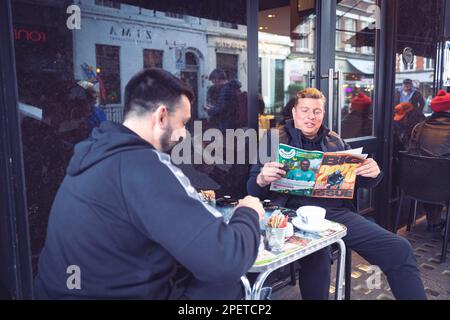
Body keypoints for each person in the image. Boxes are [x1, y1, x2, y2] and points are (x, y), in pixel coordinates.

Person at [34, 68, 265, 300]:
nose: (184, 134)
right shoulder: (144, 165)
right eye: (183, 122)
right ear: (161, 116)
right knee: (225, 285)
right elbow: (227, 259)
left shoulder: (97, 154)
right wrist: (247, 212)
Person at [247, 88, 426, 300]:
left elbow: (360, 180)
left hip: (334, 214)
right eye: (304, 110)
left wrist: (373, 174)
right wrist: (261, 179)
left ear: (323, 114)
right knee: (318, 257)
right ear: (294, 112)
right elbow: (251, 188)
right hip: (289, 215)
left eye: (317, 111)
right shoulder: (273, 139)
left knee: (399, 248)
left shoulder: (335, 140)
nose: (310, 116)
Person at [408, 89, 450, 231]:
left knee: (431, 173)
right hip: (444, 187)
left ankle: (434, 220)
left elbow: (412, 154)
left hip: (419, 185)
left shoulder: (418, 128)